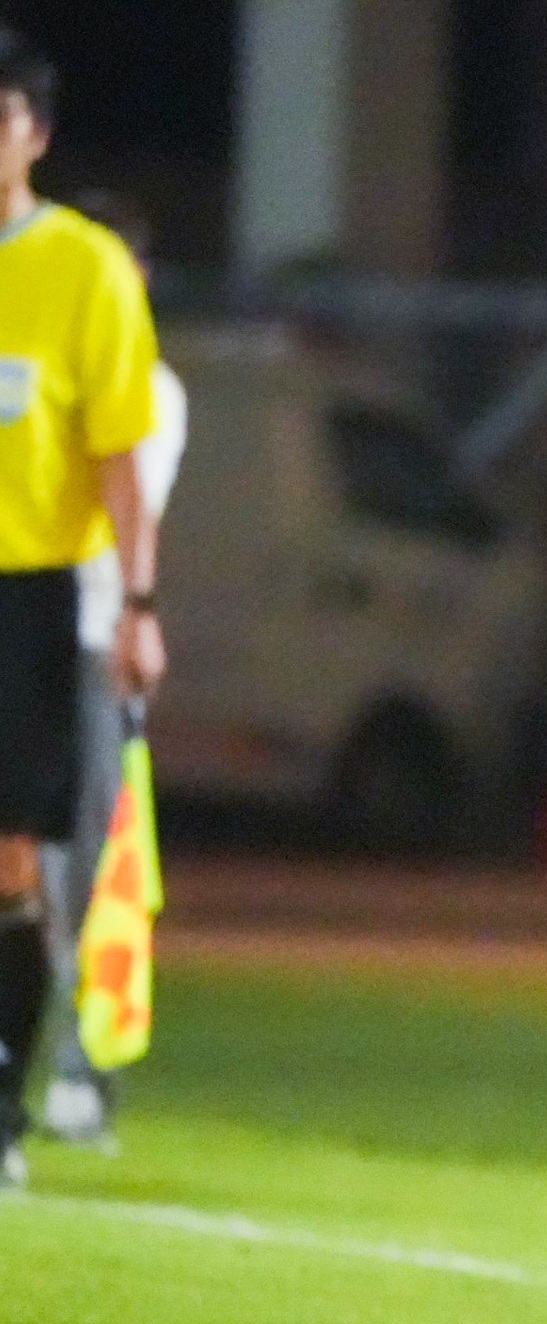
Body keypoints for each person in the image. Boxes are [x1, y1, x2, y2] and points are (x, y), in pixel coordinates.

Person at [0, 31, 167, 1189]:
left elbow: (119, 455)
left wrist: (138, 604)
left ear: (37, 134)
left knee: (13, 859)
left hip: (27, 595)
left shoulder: (83, 266)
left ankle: (6, 1105)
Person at [39, 190, 185, 1151]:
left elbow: (122, 509)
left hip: (86, 642)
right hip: (27, 630)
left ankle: (83, 1073)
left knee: (91, 867)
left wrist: (137, 621)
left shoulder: (154, 392)